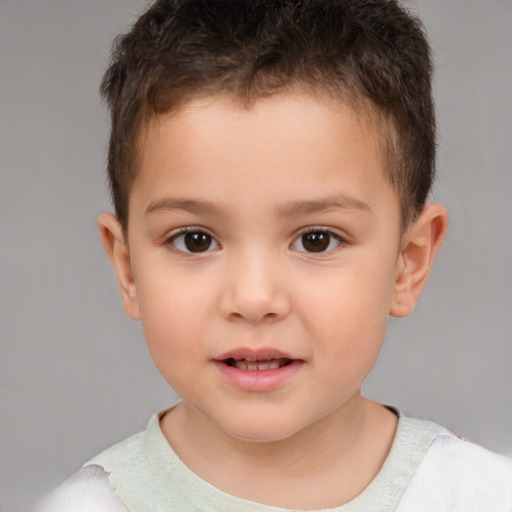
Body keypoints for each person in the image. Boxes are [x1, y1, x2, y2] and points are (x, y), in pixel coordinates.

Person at [36, 0, 512, 510]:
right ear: (128, 268)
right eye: (195, 239)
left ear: (408, 263)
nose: (254, 298)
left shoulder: (481, 495)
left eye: (316, 239)